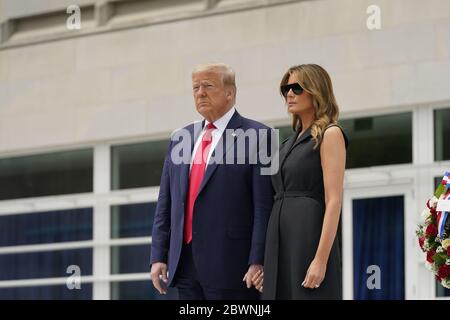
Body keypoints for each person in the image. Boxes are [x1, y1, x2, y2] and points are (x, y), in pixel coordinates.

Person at [149, 63, 274, 300]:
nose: (200, 93)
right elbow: (165, 204)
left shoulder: (262, 137)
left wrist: (258, 261)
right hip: (184, 266)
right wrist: (158, 256)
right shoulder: (180, 138)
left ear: (230, 93)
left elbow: (264, 208)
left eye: (208, 86)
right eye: (195, 87)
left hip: (232, 267)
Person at [252, 64, 348, 299]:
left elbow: (334, 200)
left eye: (297, 88)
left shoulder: (330, 134)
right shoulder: (286, 144)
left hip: (308, 236)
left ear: (316, 91)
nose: (290, 94)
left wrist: (320, 260)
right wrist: (265, 261)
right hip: (280, 240)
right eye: (286, 89)